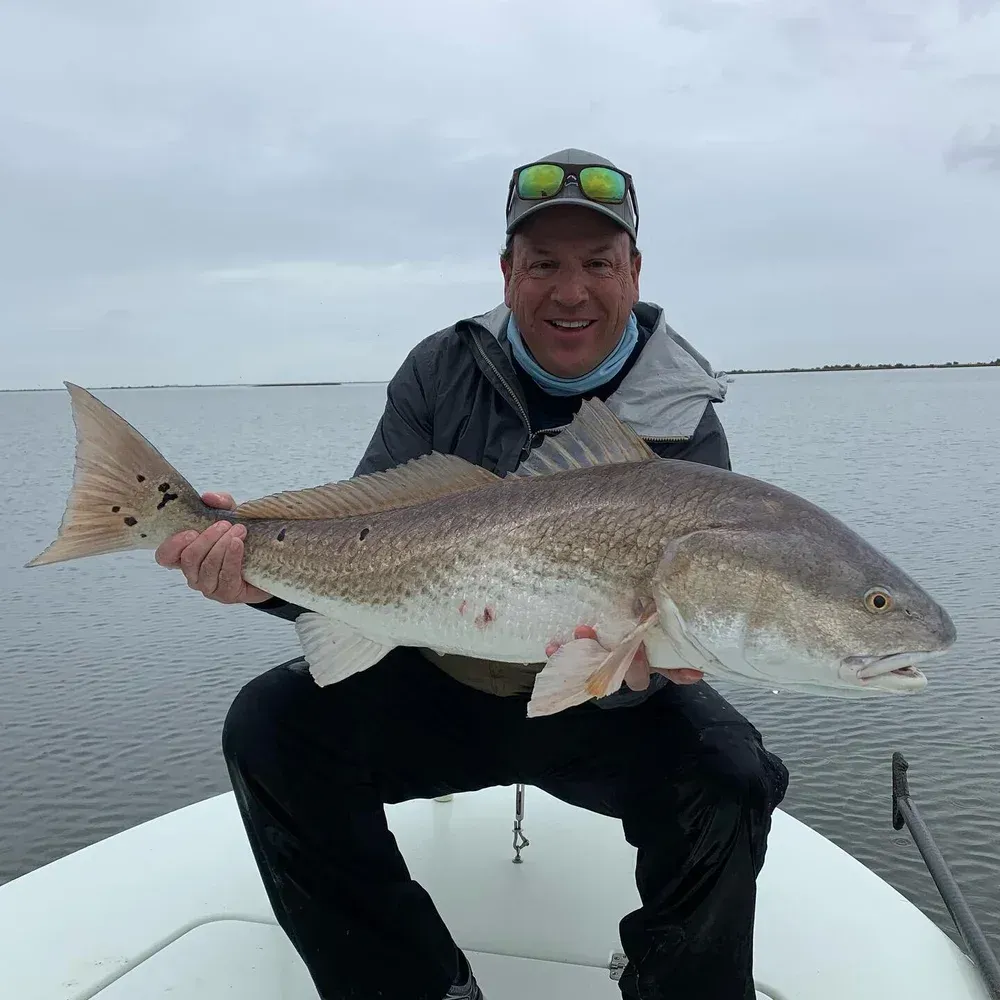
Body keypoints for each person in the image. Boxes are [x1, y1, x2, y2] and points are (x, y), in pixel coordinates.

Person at [155, 148, 789, 1000]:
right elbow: (363, 549)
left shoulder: (683, 416)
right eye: (544, 265)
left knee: (731, 772)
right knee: (271, 727)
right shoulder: (440, 372)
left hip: (599, 706)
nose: (571, 292)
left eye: (598, 262)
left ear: (634, 272)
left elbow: (680, 638)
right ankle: (414, 983)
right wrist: (256, 576)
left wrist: (649, 672)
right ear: (506, 271)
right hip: (435, 685)